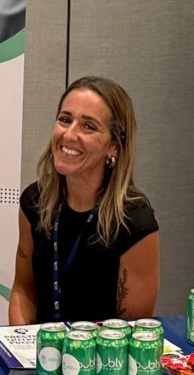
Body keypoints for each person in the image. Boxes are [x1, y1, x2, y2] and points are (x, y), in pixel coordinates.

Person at [9, 76, 160, 325]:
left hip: (102, 359)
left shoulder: (135, 222)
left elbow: (131, 331)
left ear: (114, 147)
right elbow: (23, 290)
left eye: (88, 126)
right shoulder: (34, 201)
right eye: (65, 120)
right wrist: (21, 351)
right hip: (41, 355)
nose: (69, 134)